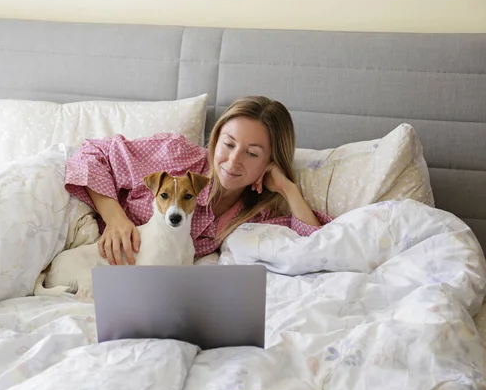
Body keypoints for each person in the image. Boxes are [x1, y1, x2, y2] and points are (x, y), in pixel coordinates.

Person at [64, 96, 332, 265]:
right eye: (228, 144)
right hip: (89, 255)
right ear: (215, 140)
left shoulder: (257, 213)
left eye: (252, 153)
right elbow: (89, 154)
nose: (233, 161)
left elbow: (316, 244)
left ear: (270, 161)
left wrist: (287, 188)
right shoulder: (173, 155)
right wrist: (116, 219)